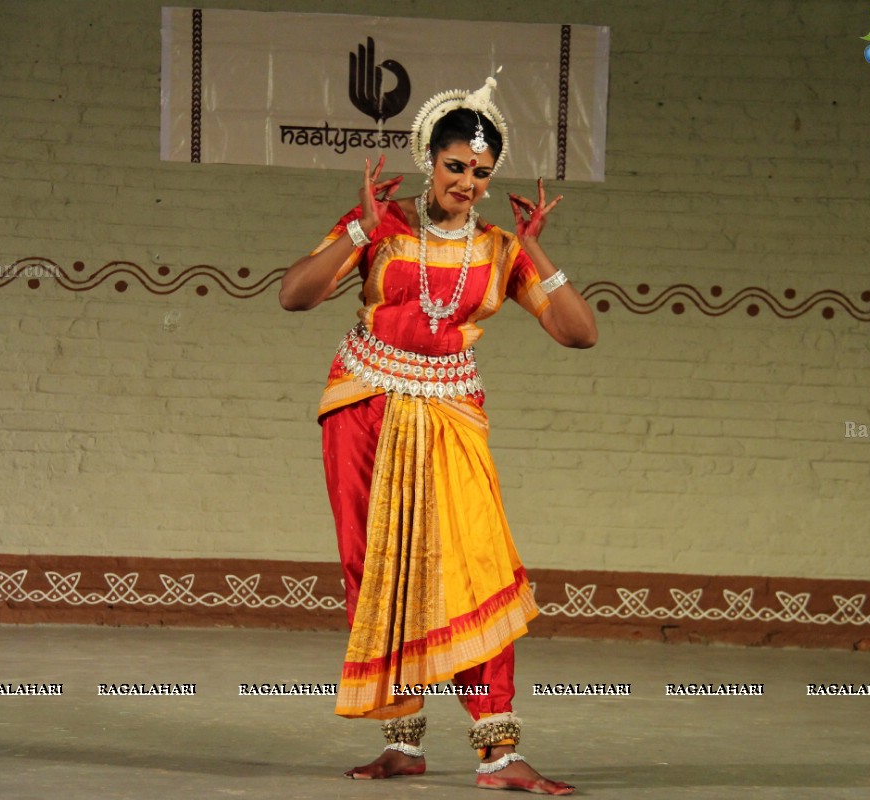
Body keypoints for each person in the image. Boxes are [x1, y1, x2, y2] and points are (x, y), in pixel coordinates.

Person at [279, 73, 596, 796]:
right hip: (364, 406)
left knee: (477, 566)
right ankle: (403, 738)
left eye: (482, 172)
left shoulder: (499, 248)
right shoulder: (381, 227)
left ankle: (498, 748)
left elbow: (581, 335)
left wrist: (538, 253)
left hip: (451, 413)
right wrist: (359, 226)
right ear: (430, 158)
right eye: (456, 166)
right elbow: (293, 295)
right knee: (378, 570)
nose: (469, 182)